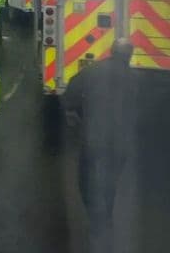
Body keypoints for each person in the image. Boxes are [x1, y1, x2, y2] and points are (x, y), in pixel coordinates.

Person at [64, 38, 136, 253]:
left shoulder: (93, 71)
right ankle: (105, 216)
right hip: (120, 144)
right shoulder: (134, 79)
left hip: (93, 140)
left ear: (111, 51)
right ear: (129, 56)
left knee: (85, 180)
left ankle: (97, 220)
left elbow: (71, 95)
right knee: (110, 182)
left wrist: (73, 113)